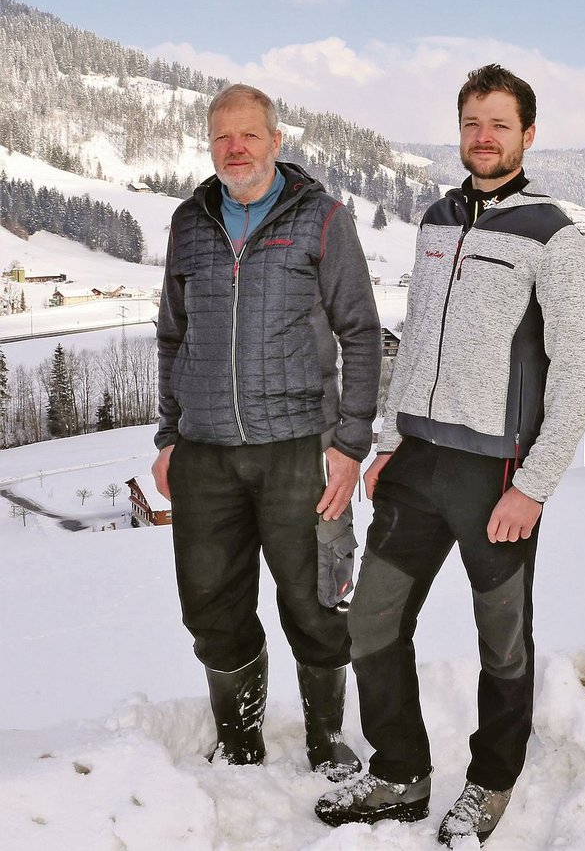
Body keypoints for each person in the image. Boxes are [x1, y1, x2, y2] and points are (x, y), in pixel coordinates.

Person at [315, 65, 585, 846]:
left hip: (497, 476)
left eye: (500, 124)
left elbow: (584, 370)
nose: (484, 136)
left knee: (501, 641)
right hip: (418, 462)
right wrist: (392, 439)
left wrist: (535, 486)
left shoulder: (555, 235)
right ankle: (401, 772)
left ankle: (492, 781)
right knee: (372, 621)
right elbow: (416, 343)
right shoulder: (437, 218)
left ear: (527, 135)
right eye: (473, 122)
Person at [153, 83, 380, 780]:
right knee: (211, 605)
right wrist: (169, 435)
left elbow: (363, 335)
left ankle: (325, 738)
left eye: (249, 135)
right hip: (206, 455)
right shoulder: (189, 222)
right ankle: (241, 738)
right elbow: (172, 333)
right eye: (222, 136)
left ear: (277, 141)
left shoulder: (321, 217)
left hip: (299, 451)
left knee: (316, 600)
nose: (235, 148)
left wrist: (348, 446)